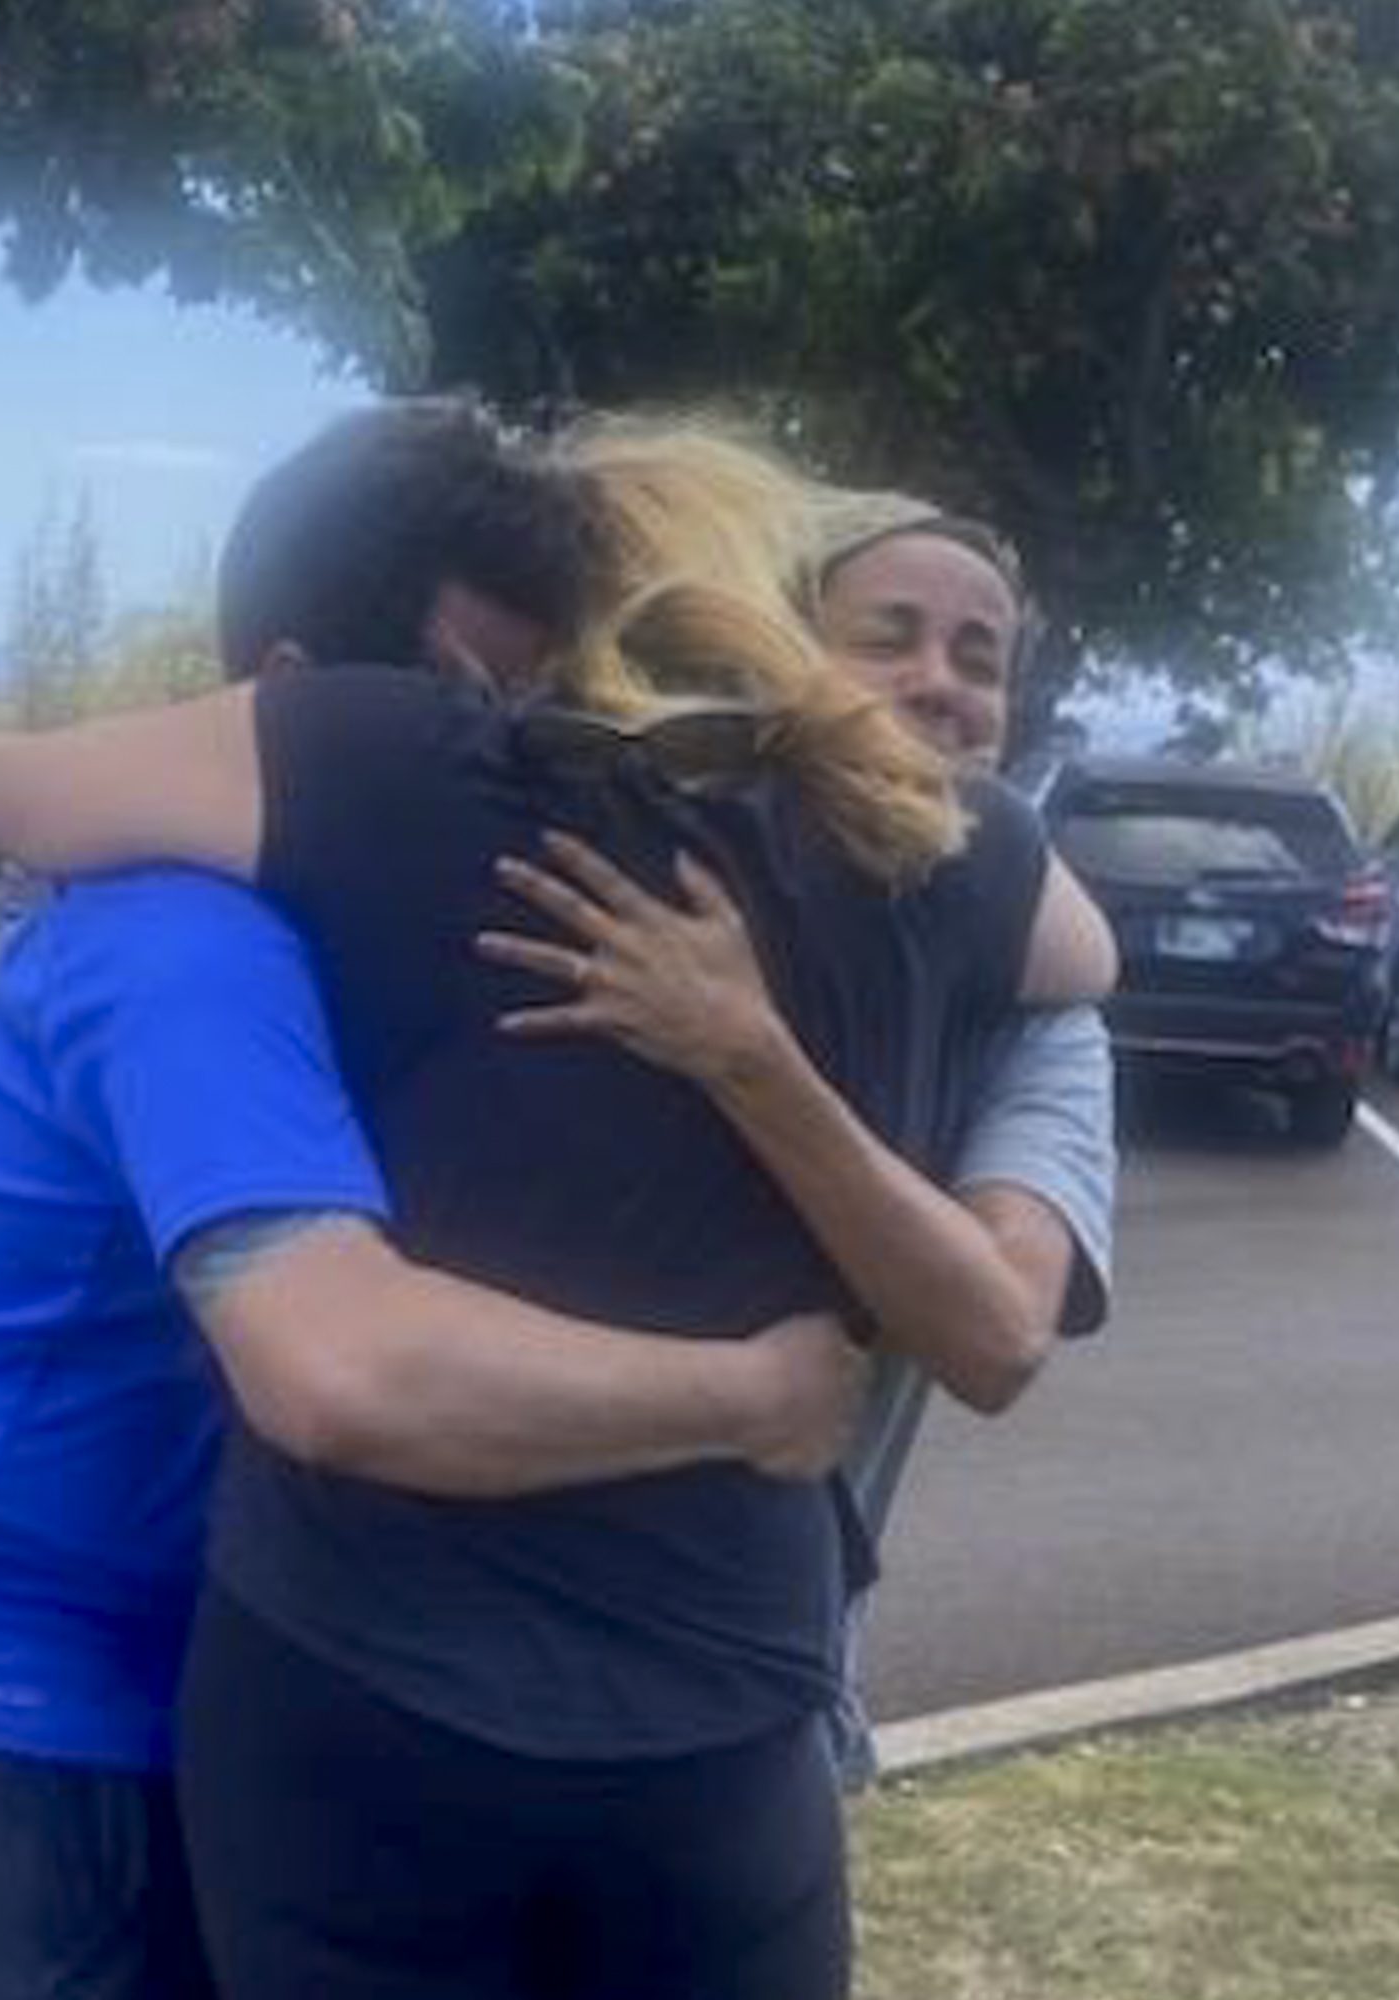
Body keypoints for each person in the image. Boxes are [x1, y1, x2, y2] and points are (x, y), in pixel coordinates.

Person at [0, 418, 1114, 1998]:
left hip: (354, 1680)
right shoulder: (959, 859)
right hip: (723, 1703)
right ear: (787, 611)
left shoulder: (405, 763)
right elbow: (1085, 967)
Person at [0, 403, 875, 2000]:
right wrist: (754, 1394)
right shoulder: (188, 944)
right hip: (8, 1690)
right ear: (298, 705)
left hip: (194, 1645)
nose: (527, 778)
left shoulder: (371, 921)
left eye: (549, 722)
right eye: (474, 717)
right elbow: (345, 1371)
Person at [471, 475, 1119, 1783]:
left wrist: (746, 1053)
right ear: (777, 655)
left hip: (768, 1689)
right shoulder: (620, 890)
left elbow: (996, 1336)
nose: (939, 683)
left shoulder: (1043, 1015)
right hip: (460, 1672)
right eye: (887, 635)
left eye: (978, 660)